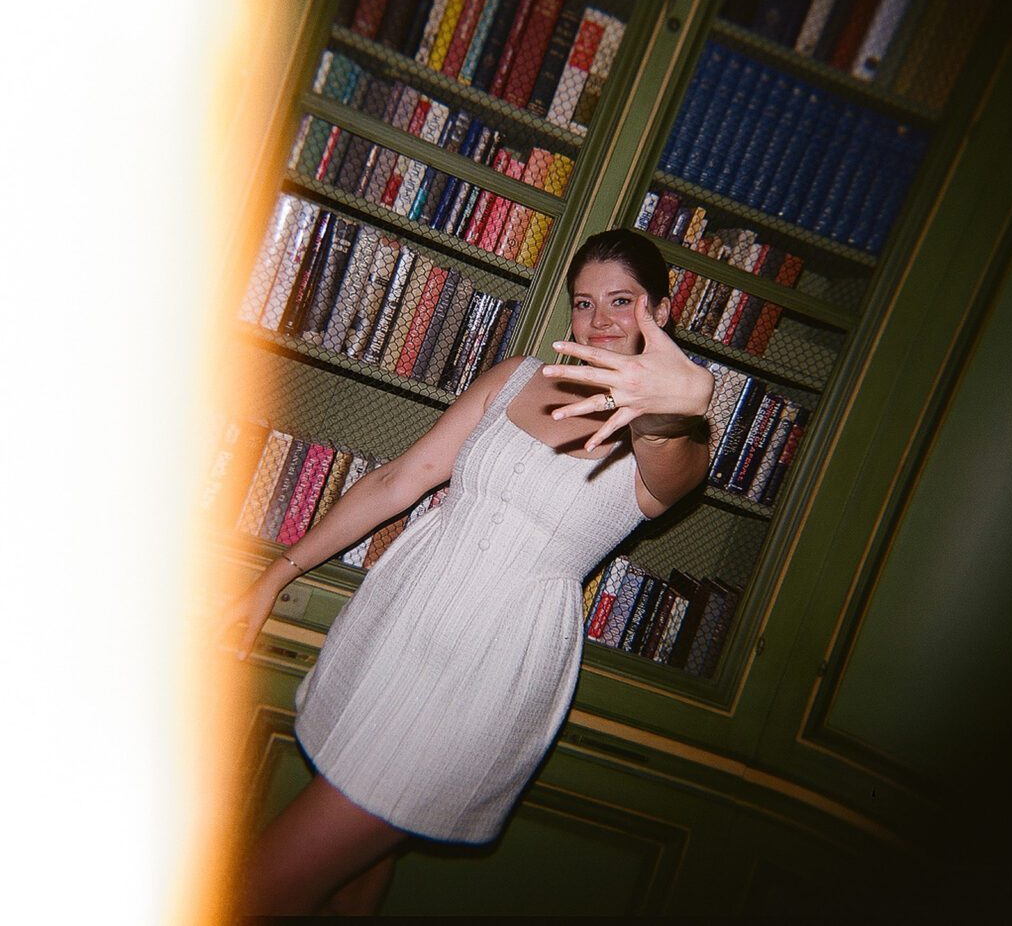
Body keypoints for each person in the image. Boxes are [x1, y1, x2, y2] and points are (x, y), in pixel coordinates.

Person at [220, 228, 715, 916]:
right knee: (354, 884)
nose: (599, 321)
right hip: (397, 628)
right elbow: (400, 480)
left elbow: (672, 457)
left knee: (258, 889)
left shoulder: (674, 447)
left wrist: (675, 403)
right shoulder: (513, 378)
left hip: (486, 671)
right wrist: (275, 575)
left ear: (661, 313)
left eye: (622, 301)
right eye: (583, 303)